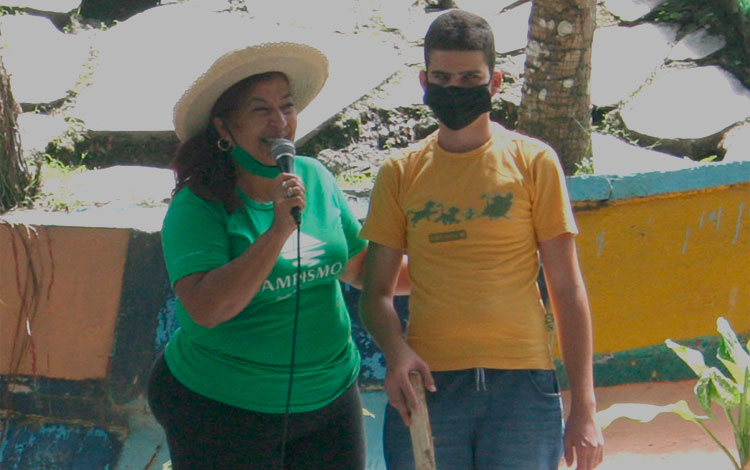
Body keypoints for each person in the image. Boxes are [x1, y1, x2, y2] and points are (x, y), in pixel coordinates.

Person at [358, 9, 604, 470]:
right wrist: (397, 353)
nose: (454, 88)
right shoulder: (400, 172)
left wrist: (585, 408)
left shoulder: (535, 162)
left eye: (470, 77)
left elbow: (567, 290)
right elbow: (376, 294)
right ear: (424, 81)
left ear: (495, 83)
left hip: (524, 387)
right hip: (428, 385)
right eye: (442, 77)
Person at [147, 37, 407, 469]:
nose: (280, 121)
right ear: (224, 129)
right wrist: (276, 233)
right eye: (260, 109)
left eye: (286, 107)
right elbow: (208, 308)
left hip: (329, 401)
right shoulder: (198, 205)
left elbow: (362, 269)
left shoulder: (316, 178)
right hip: (222, 411)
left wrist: (463, 269)